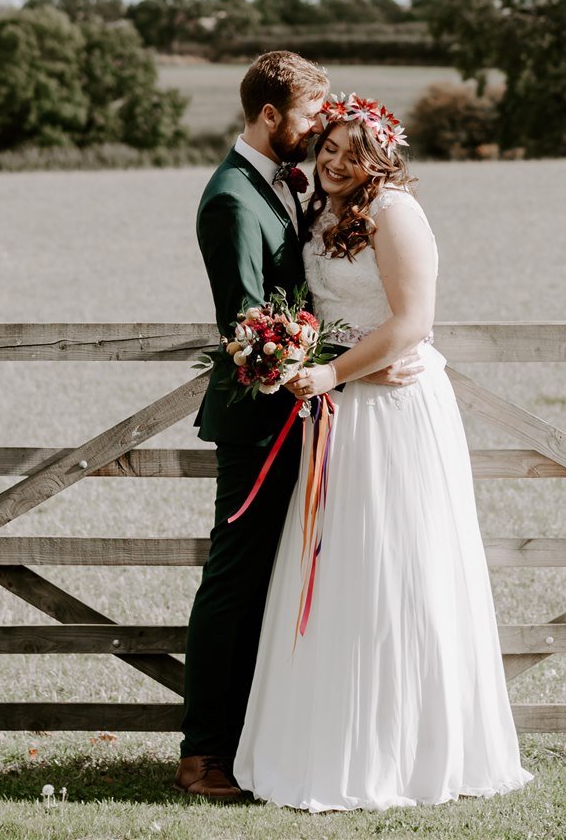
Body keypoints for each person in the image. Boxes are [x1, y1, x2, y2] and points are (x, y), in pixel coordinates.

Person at [232, 93, 532, 812]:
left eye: (350, 152)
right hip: (342, 411)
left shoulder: (396, 214)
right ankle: (328, 745)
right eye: (328, 147)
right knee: (341, 570)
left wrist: (335, 370)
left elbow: (414, 321)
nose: (334, 161)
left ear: (382, 155)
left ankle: (411, 753)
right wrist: (312, 354)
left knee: (400, 565)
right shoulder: (322, 211)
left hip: (393, 411)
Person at [176, 53, 420, 801]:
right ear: (272, 116)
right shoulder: (230, 200)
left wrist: (351, 362)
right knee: (235, 582)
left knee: (284, 584)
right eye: (313, 119)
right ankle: (204, 754)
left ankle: (261, 741)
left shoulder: (287, 187)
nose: (321, 132)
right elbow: (250, 331)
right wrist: (355, 364)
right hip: (259, 424)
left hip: (310, 413)